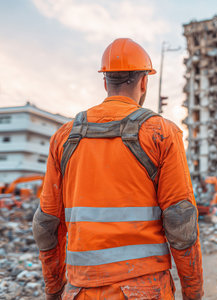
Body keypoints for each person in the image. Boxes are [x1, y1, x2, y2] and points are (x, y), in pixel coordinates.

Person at [32, 38, 203, 300]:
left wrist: (55, 289)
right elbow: (181, 220)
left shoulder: (64, 137)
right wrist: (193, 292)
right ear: (144, 82)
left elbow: (47, 225)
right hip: (145, 289)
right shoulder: (161, 133)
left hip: (80, 290)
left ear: (105, 82)